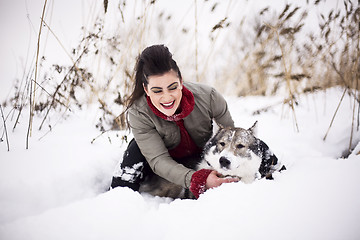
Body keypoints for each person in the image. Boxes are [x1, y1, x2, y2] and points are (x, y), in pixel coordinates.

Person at [111, 44, 238, 198]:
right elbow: (158, 160)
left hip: (200, 157)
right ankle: (120, 198)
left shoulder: (209, 97)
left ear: (180, 81)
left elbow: (231, 137)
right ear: (146, 89)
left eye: (172, 87)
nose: (167, 97)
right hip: (161, 163)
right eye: (157, 91)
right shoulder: (139, 112)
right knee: (135, 150)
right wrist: (197, 179)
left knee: (253, 145)